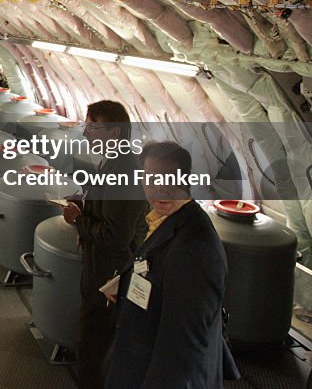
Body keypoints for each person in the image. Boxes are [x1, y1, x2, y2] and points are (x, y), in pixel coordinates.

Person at [105, 142, 238, 388]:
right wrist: (125, 289)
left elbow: (182, 349)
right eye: (151, 179)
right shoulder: (166, 221)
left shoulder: (195, 248)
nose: (160, 190)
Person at [61, 100, 148, 389]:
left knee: (94, 350)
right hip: (101, 272)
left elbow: (116, 236)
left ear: (113, 132)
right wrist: (85, 209)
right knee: (94, 347)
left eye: (91, 127)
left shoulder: (123, 170)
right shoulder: (112, 161)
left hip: (110, 278)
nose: (85, 134)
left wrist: (78, 221)